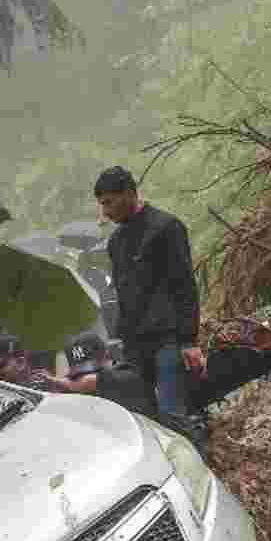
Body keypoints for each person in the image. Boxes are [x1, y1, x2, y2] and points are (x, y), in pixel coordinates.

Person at [94, 165, 209, 456]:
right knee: (146, 417)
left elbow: (184, 285)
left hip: (168, 339)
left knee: (173, 414)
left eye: (109, 202)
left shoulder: (165, 227)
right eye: (101, 203)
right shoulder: (116, 242)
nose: (104, 211)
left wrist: (189, 340)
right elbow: (123, 293)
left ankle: (203, 469)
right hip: (135, 343)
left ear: (130, 193)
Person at [34, 332, 158, 420]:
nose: (85, 376)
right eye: (80, 374)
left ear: (107, 355)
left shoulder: (128, 375)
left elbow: (93, 381)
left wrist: (63, 382)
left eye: (94, 370)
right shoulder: (74, 385)